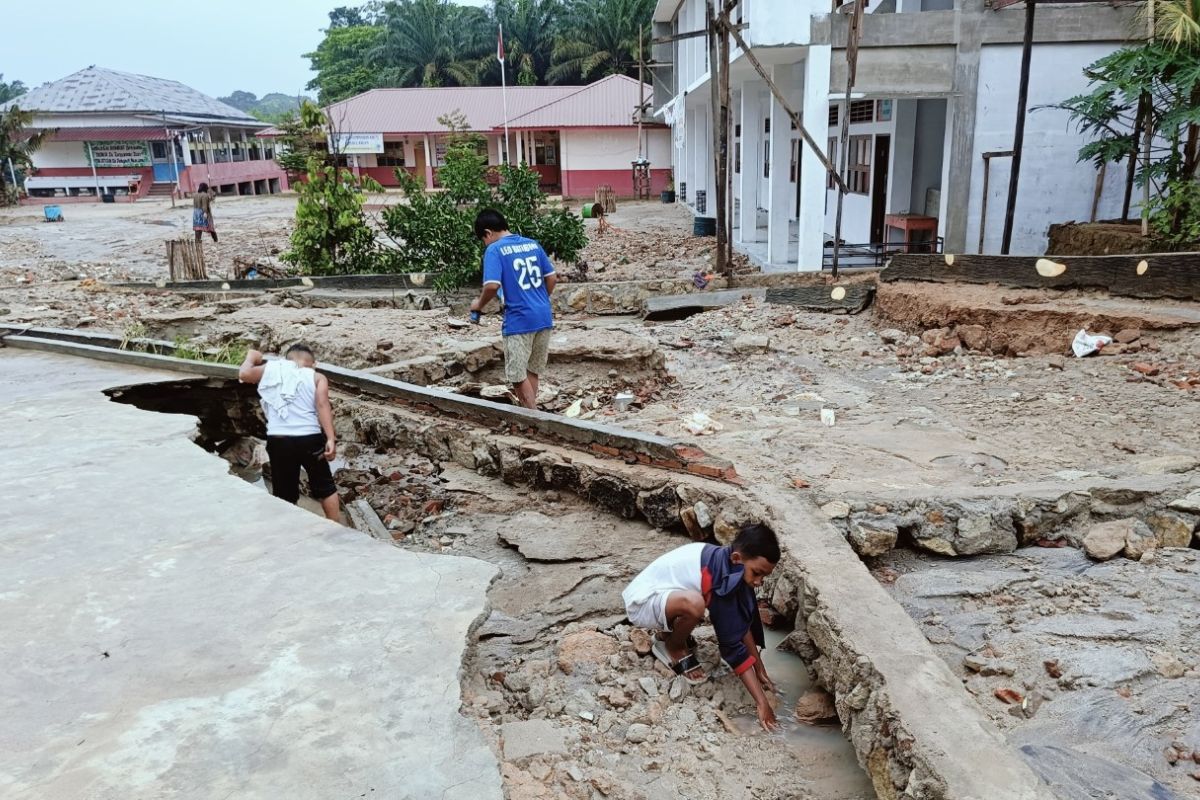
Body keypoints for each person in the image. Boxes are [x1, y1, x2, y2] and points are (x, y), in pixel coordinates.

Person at [622, 524, 782, 732]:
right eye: (757, 573)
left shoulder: (731, 567)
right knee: (695, 604)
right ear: (736, 559)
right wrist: (762, 702)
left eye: (764, 577)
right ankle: (672, 646)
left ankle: (671, 631)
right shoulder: (716, 577)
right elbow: (731, 644)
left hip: (664, 598)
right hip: (642, 604)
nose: (759, 582)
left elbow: (741, 623)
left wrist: (759, 667)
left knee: (696, 602)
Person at [237, 344, 340, 522]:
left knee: (284, 491)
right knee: (325, 487)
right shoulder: (317, 377)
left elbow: (244, 374)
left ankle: (289, 528)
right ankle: (336, 526)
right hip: (310, 438)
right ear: (313, 363)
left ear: (286, 361)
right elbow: (323, 405)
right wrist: (330, 438)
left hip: (279, 440)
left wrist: (252, 356)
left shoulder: (272, 369)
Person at [468, 209, 557, 410]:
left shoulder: (494, 250)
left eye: (483, 239)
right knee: (532, 369)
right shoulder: (532, 244)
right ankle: (531, 414)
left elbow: (491, 286)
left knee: (517, 376)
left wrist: (478, 305)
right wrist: (540, 300)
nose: (485, 244)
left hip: (518, 320)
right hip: (543, 315)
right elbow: (551, 278)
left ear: (488, 233)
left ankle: (533, 419)